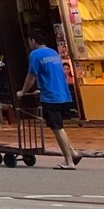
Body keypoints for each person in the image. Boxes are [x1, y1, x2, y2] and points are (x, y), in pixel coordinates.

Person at [20, 31, 81, 169]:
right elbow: (51, 75)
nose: (29, 44)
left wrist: (23, 92)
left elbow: (31, 76)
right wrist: (41, 89)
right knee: (59, 127)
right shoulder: (53, 52)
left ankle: (69, 161)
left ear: (33, 40)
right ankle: (73, 152)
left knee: (57, 128)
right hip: (63, 94)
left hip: (51, 97)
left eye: (29, 41)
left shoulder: (35, 55)